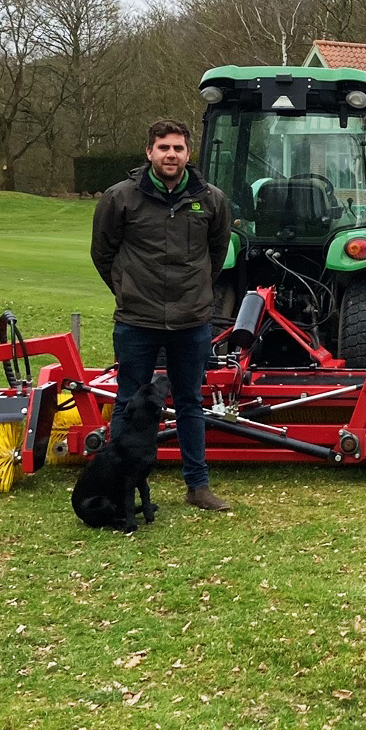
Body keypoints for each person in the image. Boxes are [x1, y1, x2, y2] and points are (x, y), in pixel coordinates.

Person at [91, 119, 235, 513]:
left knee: (189, 402)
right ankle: (117, 484)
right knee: (127, 401)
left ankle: (198, 485)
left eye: (178, 148)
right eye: (163, 148)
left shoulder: (211, 200)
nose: (171, 154)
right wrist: (126, 290)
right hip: (137, 321)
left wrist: (198, 292)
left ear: (189, 154)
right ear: (150, 152)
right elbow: (103, 254)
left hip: (191, 323)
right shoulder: (120, 198)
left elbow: (216, 254)